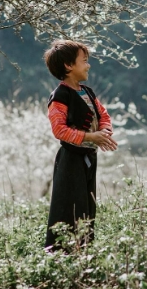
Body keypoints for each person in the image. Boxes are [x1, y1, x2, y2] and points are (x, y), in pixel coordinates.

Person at [43, 39, 118, 251]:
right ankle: (60, 255)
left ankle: (83, 254)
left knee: (86, 208)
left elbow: (103, 115)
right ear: (68, 66)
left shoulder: (88, 91)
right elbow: (60, 130)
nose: (88, 65)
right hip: (70, 160)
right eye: (84, 61)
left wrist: (104, 132)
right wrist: (91, 137)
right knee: (69, 208)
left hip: (88, 159)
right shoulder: (60, 95)